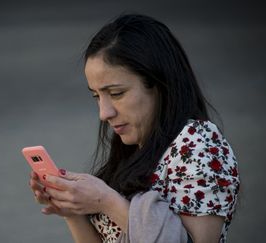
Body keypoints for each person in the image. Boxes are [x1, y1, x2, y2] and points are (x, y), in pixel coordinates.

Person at [28, 13, 240, 243]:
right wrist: (72, 211)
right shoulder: (136, 146)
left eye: (116, 93)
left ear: (159, 84)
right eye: (96, 96)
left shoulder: (198, 143)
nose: (104, 113)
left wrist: (105, 201)